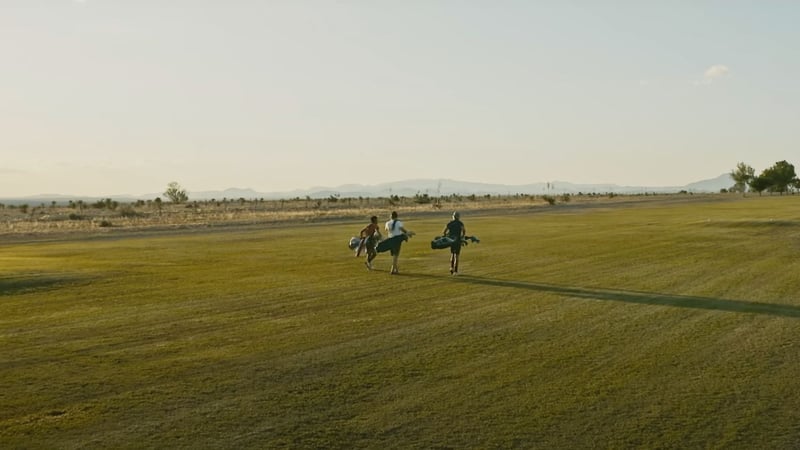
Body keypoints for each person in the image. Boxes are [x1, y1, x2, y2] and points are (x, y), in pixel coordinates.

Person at [442, 211, 466, 275]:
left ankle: (451, 268)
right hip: (457, 240)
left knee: (452, 254)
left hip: (452, 240)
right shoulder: (460, 223)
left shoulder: (450, 223)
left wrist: (447, 236)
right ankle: (455, 271)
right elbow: (464, 231)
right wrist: (462, 237)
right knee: (457, 256)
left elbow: (444, 232)